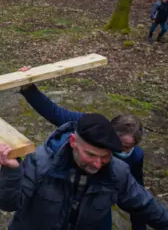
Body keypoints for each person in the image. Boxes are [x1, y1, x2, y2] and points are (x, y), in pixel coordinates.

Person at [0, 113, 168, 230]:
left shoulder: (118, 172)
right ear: (73, 142)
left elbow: (146, 205)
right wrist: (11, 173)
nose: (98, 164)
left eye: (105, 157)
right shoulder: (40, 162)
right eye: (91, 155)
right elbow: (9, 203)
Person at [20, 84, 148, 230]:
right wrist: (28, 88)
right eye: (120, 145)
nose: (122, 150)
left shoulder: (135, 156)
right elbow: (55, 113)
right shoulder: (90, 126)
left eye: (129, 148)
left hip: (98, 200)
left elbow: (138, 193)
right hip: (68, 192)